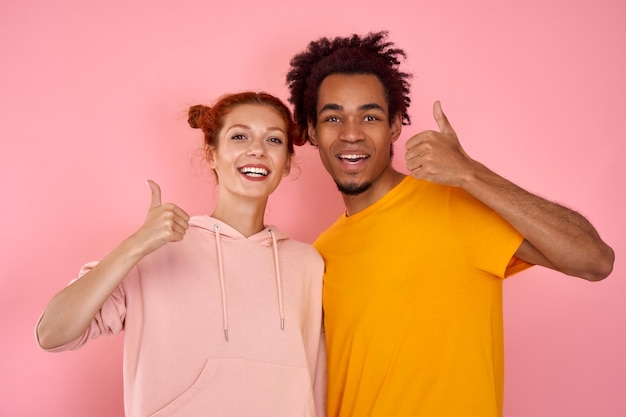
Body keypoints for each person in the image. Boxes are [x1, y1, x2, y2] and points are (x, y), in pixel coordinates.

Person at [286, 31, 614, 417]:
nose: (351, 133)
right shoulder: (321, 253)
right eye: (333, 117)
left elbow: (595, 260)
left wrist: (471, 174)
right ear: (310, 130)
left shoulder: (451, 205)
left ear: (394, 125)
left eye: (370, 116)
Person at [36, 92, 326, 417]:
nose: (256, 149)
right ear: (211, 154)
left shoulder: (308, 264)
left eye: (273, 139)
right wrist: (136, 245)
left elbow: (316, 384)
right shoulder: (159, 248)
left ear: (287, 161)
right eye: (239, 136)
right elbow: (52, 333)